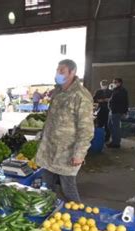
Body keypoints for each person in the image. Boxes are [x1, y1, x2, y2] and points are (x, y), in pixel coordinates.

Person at [36, 59, 94, 202]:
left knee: (68, 189)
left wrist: (79, 153)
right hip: (49, 149)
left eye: (61, 71)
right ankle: (48, 214)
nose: (58, 73)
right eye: (57, 70)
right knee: (47, 187)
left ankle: (79, 216)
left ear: (72, 72)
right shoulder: (58, 92)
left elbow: (86, 129)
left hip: (66, 152)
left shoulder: (81, 96)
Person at [107, 78, 129, 148]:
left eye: (115, 82)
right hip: (112, 110)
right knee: (110, 126)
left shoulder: (122, 91)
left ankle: (116, 143)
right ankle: (114, 140)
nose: (113, 83)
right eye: (113, 82)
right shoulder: (115, 90)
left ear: (119, 83)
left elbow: (124, 101)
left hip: (117, 111)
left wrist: (125, 112)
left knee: (115, 127)